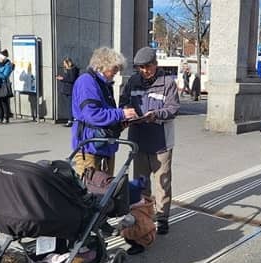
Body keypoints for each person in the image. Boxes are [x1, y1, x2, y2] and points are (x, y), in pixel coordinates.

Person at [120, 46, 181, 243]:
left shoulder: (167, 83)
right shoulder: (133, 81)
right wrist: (127, 110)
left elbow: (173, 108)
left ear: (155, 64)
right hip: (138, 139)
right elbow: (123, 101)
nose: (144, 71)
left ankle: (162, 218)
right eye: (141, 68)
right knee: (140, 182)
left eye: (148, 67)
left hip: (161, 140)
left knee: (162, 182)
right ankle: (144, 217)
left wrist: (156, 115)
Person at [71, 47, 138, 179]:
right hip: (90, 148)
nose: (116, 72)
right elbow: (93, 114)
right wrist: (121, 114)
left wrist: (120, 123)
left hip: (104, 146)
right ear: (103, 65)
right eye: (114, 69)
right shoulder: (87, 82)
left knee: (104, 190)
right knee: (89, 192)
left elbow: (105, 113)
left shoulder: (103, 83)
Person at [56, 57, 80, 127]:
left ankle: (71, 120)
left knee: (70, 106)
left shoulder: (73, 69)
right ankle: (71, 119)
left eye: (65, 64)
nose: (64, 65)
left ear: (68, 63)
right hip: (67, 90)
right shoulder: (68, 70)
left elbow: (71, 79)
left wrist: (62, 78)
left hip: (70, 90)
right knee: (68, 106)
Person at [0, 50, 15, 124]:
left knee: (4, 103)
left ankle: (6, 118)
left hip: (4, 85)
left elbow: (4, 76)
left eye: (0, 57)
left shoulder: (8, 65)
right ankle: (0, 118)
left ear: (3, 58)